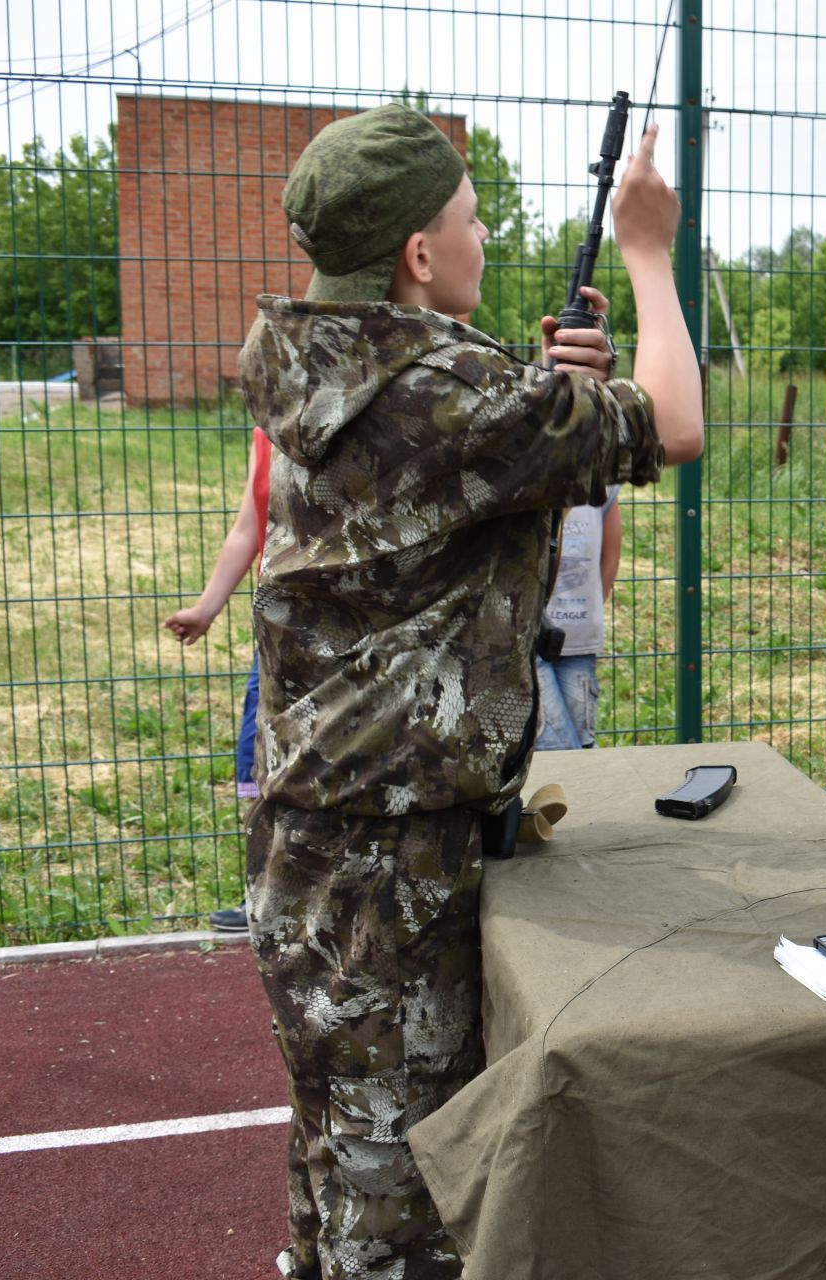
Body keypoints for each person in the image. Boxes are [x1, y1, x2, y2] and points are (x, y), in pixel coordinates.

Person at [237, 103, 703, 1280]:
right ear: (419, 256)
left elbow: (442, 458)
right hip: (394, 860)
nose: (487, 236)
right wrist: (647, 250)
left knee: (337, 1160)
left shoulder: (300, 356)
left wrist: (543, 394)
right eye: (472, 219)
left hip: (309, 836)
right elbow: (679, 425)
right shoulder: (459, 392)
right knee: (411, 1199)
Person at [162, 428, 275, 931]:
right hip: (278, 631)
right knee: (259, 756)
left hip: (350, 631)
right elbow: (247, 527)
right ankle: (269, 894)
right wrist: (206, 608)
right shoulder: (269, 429)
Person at [535, 485, 622, 750]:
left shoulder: (600, 477)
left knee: (582, 743)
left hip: (579, 638)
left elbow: (611, 556)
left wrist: (591, 606)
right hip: (530, 638)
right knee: (554, 745)